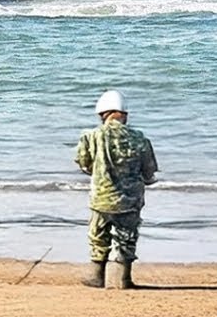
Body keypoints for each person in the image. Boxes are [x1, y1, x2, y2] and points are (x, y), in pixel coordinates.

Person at [74, 89, 158, 289]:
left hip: (101, 199)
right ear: (124, 114)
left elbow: (84, 163)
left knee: (98, 236)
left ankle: (97, 276)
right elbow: (149, 171)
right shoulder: (140, 138)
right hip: (130, 201)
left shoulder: (91, 136)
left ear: (102, 114)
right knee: (126, 238)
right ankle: (124, 279)